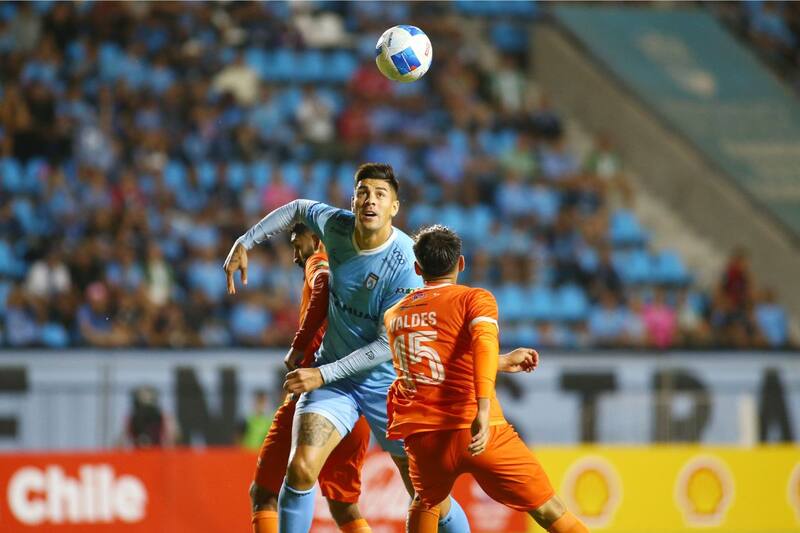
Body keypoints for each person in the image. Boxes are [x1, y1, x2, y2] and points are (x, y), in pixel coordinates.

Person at [224, 163, 537, 533]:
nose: (370, 200)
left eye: (380, 195)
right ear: (353, 200)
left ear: (394, 207)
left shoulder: (405, 264)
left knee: (428, 496)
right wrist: (244, 242)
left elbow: (385, 346)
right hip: (335, 381)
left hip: (389, 388)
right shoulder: (335, 227)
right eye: (363, 192)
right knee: (302, 467)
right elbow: (296, 208)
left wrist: (314, 367)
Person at [384, 225, 589, 533]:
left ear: (417, 268)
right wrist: (481, 408)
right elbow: (483, 342)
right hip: (478, 429)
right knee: (549, 510)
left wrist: (503, 362)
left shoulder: (395, 314)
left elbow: (436, 363)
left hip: (426, 437)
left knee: (425, 503)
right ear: (461, 263)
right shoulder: (475, 299)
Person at [249, 223, 372, 533]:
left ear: (316, 239)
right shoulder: (356, 271)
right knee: (344, 506)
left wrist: (299, 344)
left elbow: (323, 283)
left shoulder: (320, 259)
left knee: (264, 493)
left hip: (317, 397)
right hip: (357, 400)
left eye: (297, 244)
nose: (294, 256)